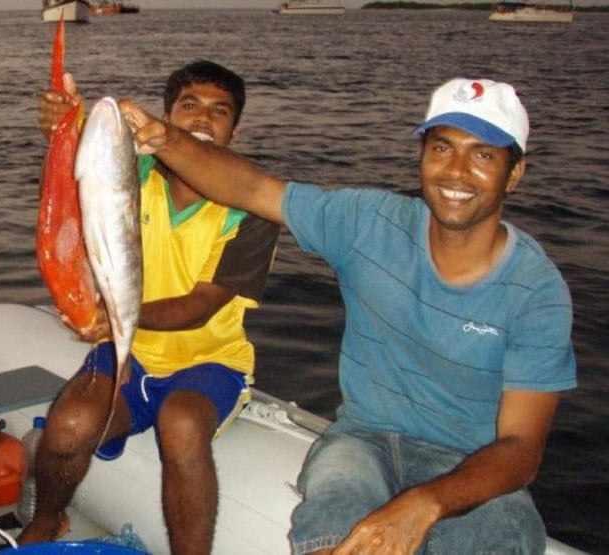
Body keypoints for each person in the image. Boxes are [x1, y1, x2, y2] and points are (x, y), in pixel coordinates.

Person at [119, 77, 576, 553]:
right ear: (422, 155)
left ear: (515, 173)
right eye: (442, 148)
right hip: (363, 440)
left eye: (482, 155)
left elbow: (522, 449)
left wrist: (425, 502)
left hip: (471, 461)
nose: (455, 171)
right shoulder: (368, 223)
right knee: (332, 531)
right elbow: (252, 189)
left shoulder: (535, 290)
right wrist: (167, 140)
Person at [20, 61, 280, 554]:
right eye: (189, 106)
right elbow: (66, 198)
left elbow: (200, 306)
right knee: (69, 425)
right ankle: (47, 520)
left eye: (219, 111)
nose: (202, 118)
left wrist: (116, 318)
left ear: (235, 130)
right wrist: (61, 127)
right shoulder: (132, 171)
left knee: (182, 424)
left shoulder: (251, 208)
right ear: (164, 117)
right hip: (130, 348)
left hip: (210, 361)